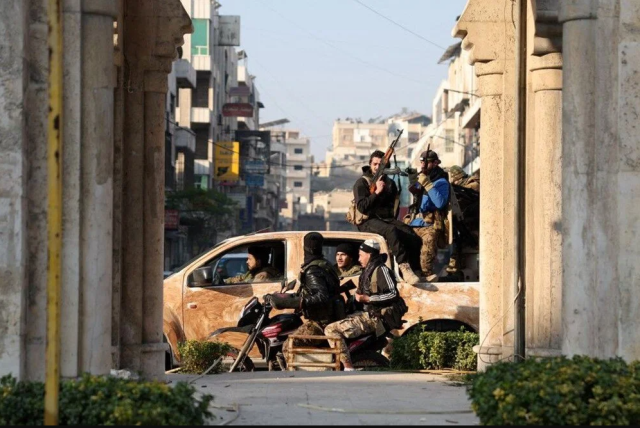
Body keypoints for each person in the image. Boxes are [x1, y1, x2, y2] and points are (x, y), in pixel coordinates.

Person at [324, 239, 407, 371]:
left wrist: (368, 299)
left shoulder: (381, 270)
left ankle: (347, 367)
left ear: (369, 254)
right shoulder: (367, 271)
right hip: (366, 313)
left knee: (331, 329)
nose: (359, 258)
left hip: (375, 317)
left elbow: (393, 294)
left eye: (361, 255)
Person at [353, 150, 422, 285]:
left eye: (381, 164)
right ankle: (404, 267)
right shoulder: (362, 183)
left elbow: (393, 207)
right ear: (370, 164)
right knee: (391, 231)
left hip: (385, 219)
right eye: (375, 164)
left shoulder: (390, 183)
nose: (378, 167)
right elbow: (362, 207)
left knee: (413, 236)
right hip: (367, 220)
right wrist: (377, 192)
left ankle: (417, 271)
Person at [268, 232, 345, 347]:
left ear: (305, 249)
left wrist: (300, 302)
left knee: (288, 346)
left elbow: (321, 296)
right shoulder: (325, 264)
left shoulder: (313, 270)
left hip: (321, 322)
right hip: (329, 317)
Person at [407, 150, 450, 282]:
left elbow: (440, 203)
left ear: (435, 163)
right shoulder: (422, 177)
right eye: (421, 162)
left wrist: (427, 184)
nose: (423, 165)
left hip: (430, 224)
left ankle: (426, 274)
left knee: (428, 247)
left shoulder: (440, 181)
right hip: (415, 222)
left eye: (427, 162)